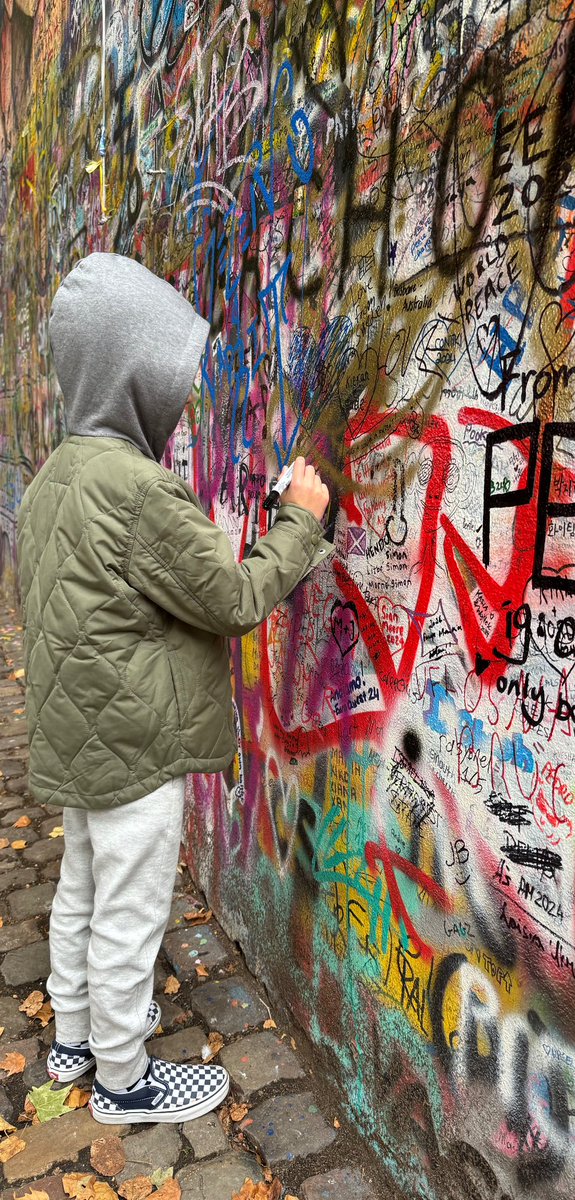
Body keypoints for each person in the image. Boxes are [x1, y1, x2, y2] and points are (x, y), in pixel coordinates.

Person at [16, 251, 334, 1125]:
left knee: (81, 889)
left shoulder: (51, 484)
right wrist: (300, 520)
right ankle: (123, 1079)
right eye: (170, 374)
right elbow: (232, 599)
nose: (182, 397)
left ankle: (76, 1035)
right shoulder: (138, 490)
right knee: (127, 910)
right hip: (136, 746)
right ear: (129, 374)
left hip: (76, 742)